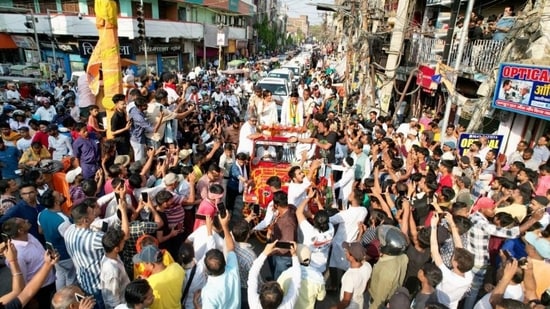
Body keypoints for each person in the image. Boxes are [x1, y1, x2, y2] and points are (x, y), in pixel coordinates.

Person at [1, 217, 56, 308]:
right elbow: (21, 281)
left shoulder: (29, 236)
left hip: (51, 278)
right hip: (40, 288)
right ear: (20, 230)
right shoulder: (18, 254)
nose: (27, 220)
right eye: (24, 222)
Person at [195, 213, 241, 309]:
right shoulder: (232, 269)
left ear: (206, 270)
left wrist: (196, 304)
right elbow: (230, 248)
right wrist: (225, 226)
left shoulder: (208, 293)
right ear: (225, 261)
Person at [37, 189, 77, 290]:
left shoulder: (42, 214)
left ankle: (59, 299)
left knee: (60, 276)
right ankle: (69, 300)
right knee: (71, 278)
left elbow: (40, 230)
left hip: (53, 253)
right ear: (56, 202)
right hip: (66, 255)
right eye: (59, 194)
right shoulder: (63, 220)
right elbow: (73, 240)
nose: (62, 194)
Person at [248, 241, 301, 309]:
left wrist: (265, 253)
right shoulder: (287, 305)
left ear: (260, 296)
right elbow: (297, 281)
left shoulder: (254, 304)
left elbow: (252, 274)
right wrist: (294, 255)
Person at [132, 245, 185, 309]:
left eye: (143, 263)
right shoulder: (177, 267)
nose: (142, 264)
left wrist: (147, 281)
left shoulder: (149, 285)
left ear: (151, 265)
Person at [331, 241, 372, 309]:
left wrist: (334, 308)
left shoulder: (349, 277)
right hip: (359, 303)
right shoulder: (367, 266)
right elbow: (366, 287)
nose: (345, 252)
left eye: (347, 251)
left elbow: (345, 302)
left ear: (352, 257)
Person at [101, 227, 131, 309]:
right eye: (123, 242)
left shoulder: (112, 256)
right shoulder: (112, 270)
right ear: (116, 249)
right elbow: (113, 300)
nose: (124, 243)